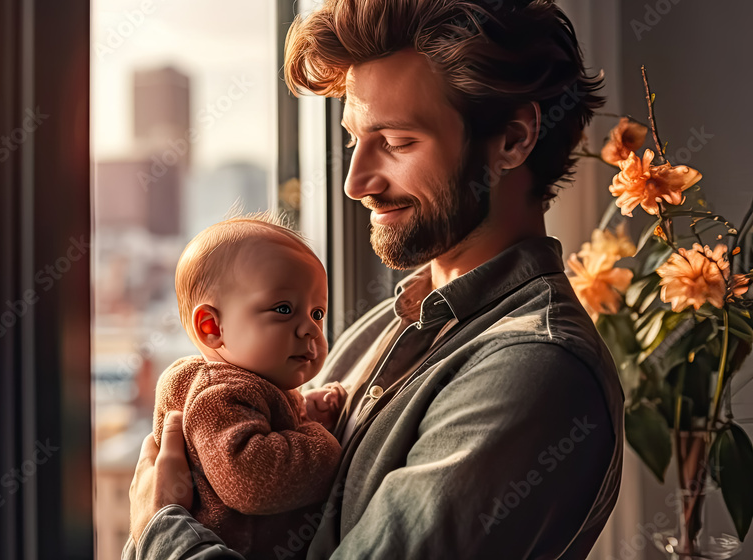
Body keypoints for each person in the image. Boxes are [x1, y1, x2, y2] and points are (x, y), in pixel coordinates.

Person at [126, 1, 625, 558]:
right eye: (353, 141)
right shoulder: (380, 329)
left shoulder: (535, 371)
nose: (356, 182)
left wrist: (160, 530)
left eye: (396, 142)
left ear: (511, 139)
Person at [123, 215, 349, 558]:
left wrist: (302, 410)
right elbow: (253, 480)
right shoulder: (218, 394)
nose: (311, 330)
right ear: (212, 326)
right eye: (284, 309)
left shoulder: (243, 381)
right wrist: (319, 439)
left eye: (318, 313)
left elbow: (261, 420)